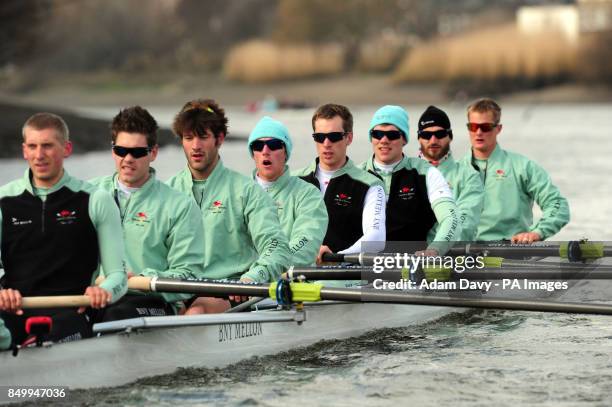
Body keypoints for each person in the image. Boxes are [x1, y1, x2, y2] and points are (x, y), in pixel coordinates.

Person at [0, 113, 127, 346]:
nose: (39, 155)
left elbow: (118, 276)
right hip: (15, 310)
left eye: (48, 146)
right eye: (33, 146)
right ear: (24, 150)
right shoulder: (3, 200)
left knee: (46, 339)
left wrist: (104, 291)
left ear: (66, 149)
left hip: (73, 312)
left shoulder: (96, 200)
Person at [167, 99, 291, 314]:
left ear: (220, 139)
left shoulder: (246, 191)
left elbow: (276, 247)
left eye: (203, 137)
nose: (196, 146)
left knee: (196, 312)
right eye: (189, 138)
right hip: (175, 289)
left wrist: (253, 277)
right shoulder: (167, 191)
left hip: (229, 291)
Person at [90, 106, 205, 319]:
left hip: (149, 298)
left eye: (137, 152)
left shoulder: (180, 206)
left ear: (153, 152)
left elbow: (189, 276)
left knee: (114, 314)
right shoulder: (86, 195)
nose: (128, 159)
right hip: (92, 295)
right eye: (121, 151)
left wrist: (142, 278)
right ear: (112, 149)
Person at [461, 98, 570, 243]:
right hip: (463, 253)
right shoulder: (454, 171)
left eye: (486, 127)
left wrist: (537, 233)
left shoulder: (523, 167)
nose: (479, 132)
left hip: (512, 250)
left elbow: (558, 204)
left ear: (498, 129)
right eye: (473, 127)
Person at [360, 105, 460, 255]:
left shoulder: (427, 173)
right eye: (377, 134)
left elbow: (451, 219)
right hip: (361, 267)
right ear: (371, 138)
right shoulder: (353, 176)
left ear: (404, 139)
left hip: (412, 267)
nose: (384, 140)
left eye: (392, 135)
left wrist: (435, 249)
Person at [294, 103, 386, 261]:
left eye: (334, 137)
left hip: (344, 278)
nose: (326, 143)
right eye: (320, 137)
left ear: (348, 138)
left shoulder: (371, 184)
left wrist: (336, 257)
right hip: (295, 275)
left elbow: (376, 238)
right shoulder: (293, 180)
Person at [247, 116, 328, 266]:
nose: (265, 151)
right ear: (253, 153)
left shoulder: (308, 195)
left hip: (283, 280)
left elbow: (305, 241)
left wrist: (263, 270)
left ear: (286, 152)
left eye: (273, 144)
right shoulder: (236, 193)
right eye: (258, 145)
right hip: (238, 280)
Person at [417, 105, 483, 242]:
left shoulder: (469, 176)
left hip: (450, 256)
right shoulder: (406, 173)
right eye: (426, 135)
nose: (433, 140)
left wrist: (434, 248)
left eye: (440, 134)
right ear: (419, 138)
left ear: (450, 136)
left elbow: (465, 223)